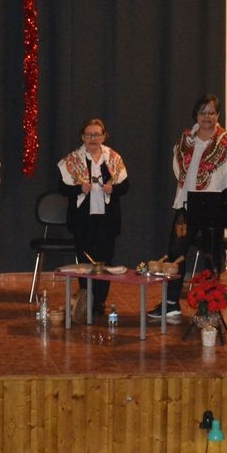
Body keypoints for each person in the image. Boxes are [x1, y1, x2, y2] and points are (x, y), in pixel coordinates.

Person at [151, 95, 227, 319]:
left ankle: (209, 307)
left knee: (211, 257)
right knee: (176, 254)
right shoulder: (185, 140)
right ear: (196, 114)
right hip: (186, 205)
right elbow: (178, 168)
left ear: (218, 115)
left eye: (212, 112)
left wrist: (221, 193)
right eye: (203, 112)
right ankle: (171, 303)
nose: (207, 116)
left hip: (213, 208)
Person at [57, 118, 130, 317]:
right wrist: (78, 189)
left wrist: (112, 188)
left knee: (104, 263)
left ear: (104, 136)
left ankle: (100, 303)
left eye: (97, 134)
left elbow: (125, 186)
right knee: (85, 263)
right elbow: (62, 188)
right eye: (89, 135)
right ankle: (86, 301)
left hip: (107, 221)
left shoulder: (113, 158)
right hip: (83, 221)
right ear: (83, 137)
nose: (93, 138)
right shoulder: (73, 160)